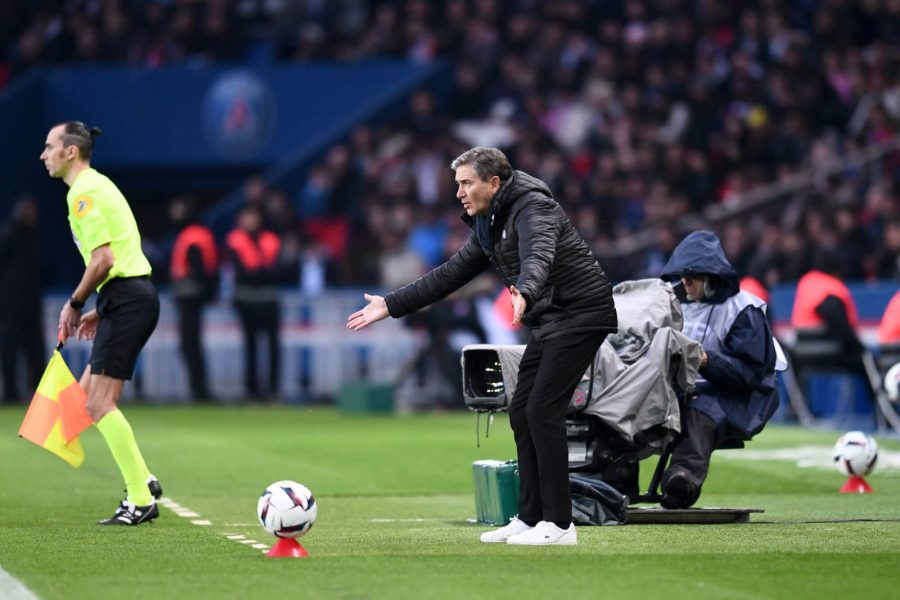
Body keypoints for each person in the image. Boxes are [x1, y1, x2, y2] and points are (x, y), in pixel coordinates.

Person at [347, 147, 617, 545]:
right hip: (552, 317)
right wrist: (391, 304)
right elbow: (450, 274)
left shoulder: (532, 207)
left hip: (581, 313)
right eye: (457, 184)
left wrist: (524, 289)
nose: (458, 192)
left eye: (466, 183)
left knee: (543, 409)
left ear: (493, 183)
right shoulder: (490, 222)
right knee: (524, 408)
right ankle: (529, 518)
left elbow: (539, 254)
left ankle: (560, 525)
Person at [40, 121, 161, 526]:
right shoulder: (96, 184)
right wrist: (99, 307)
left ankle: (141, 500)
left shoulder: (84, 193)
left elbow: (104, 259)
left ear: (70, 152)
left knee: (97, 403)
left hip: (127, 298)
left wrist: (74, 303)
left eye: (49, 147)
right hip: (125, 297)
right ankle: (144, 479)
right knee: (89, 394)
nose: (43, 155)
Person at [653, 231, 779, 508]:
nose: (684, 282)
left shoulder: (743, 310)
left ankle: (682, 480)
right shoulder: (671, 302)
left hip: (739, 395)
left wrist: (706, 361)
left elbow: (750, 375)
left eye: (693, 276)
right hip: (686, 387)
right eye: (682, 275)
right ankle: (613, 479)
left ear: (713, 277)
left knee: (698, 409)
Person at [225, 204, 292, 402]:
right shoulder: (235, 240)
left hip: (268, 299)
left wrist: (259, 273)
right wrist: (262, 272)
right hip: (247, 300)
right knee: (250, 346)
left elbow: (280, 271)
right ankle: (252, 391)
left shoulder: (271, 239)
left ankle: (273, 391)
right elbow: (245, 273)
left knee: (273, 345)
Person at [168, 196, 218, 403]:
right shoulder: (199, 234)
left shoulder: (191, 236)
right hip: (193, 295)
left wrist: (204, 291)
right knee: (192, 344)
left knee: (190, 344)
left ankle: (199, 391)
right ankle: (199, 389)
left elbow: (198, 268)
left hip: (190, 296)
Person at [0, 195, 45, 403]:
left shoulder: (34, 237)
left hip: (31, 307)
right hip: (10, 307)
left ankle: (38, 395)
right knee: (10, 351)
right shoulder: (8, 235)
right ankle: (11, 393)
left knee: (36, 352)